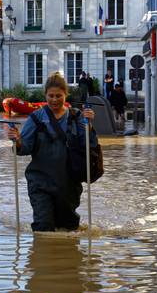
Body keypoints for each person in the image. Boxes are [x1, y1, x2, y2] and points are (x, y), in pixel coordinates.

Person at [6, 72, 98, 231]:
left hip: (68, 184)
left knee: (68, 228)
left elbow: (89, 145)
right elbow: (24, 148)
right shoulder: (36, 118)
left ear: (65, 95)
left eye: (58, 96)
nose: (54, 100)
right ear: (45, 95)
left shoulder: (77, 117)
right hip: (40, 182)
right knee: (43, 226)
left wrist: (89, 125)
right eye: (51, 96)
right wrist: (17, 140)